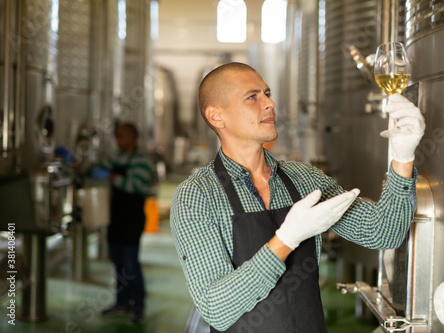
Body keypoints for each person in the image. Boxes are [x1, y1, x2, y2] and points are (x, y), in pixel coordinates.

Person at [170, 62, 425, 332]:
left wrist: (402, 157)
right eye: (252, 97)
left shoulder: (304, 180)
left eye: (267, 93)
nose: (270, 103)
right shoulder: (196, 196)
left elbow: (384, 233)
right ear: (216, 116)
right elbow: (216, 309)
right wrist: (286, 240)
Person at [98, 122, 154, 324]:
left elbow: (138, 186)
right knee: (118, 262)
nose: (117, 140)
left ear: (132, 137)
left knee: (131, 263)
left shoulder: (142, 160)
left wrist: (112, 177)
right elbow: (99, 170)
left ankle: (138, 305)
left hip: (132, 219)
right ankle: (122, 302)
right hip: (116, 217)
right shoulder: (117, 156)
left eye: (120, 136)